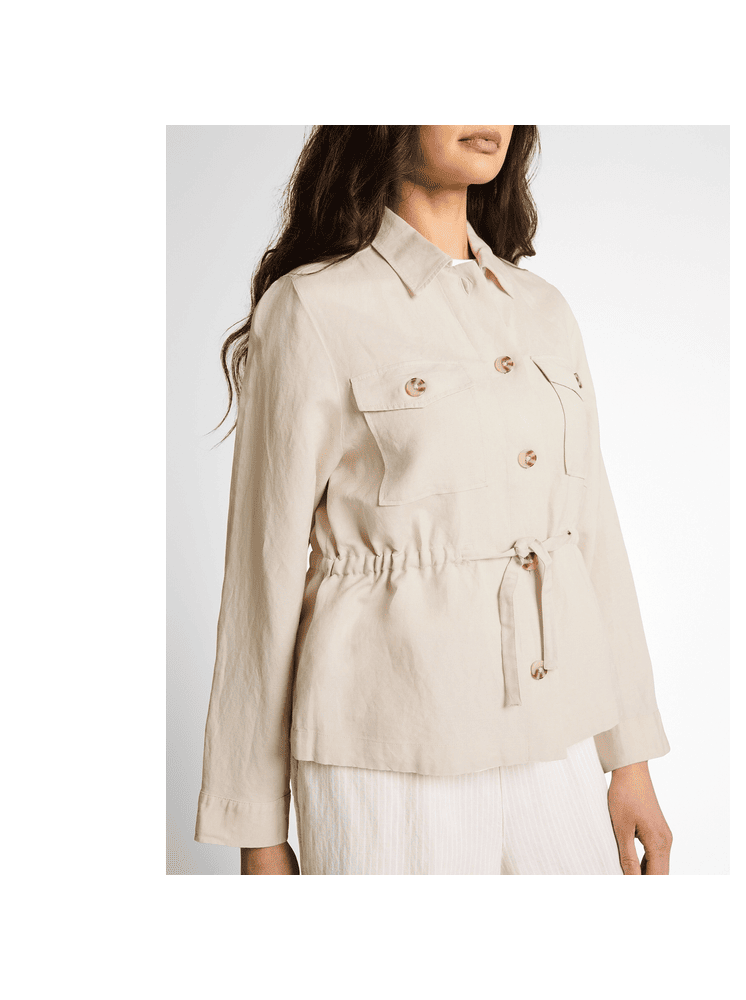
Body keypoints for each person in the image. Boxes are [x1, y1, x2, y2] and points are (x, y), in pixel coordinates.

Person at [194, 126, 673, 875]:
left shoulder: (543, 310)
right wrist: (257, 829)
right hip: (386, 754)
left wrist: (630, 758)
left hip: (555, 739)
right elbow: (262, 576)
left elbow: (590, 538)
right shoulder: (313, 308)